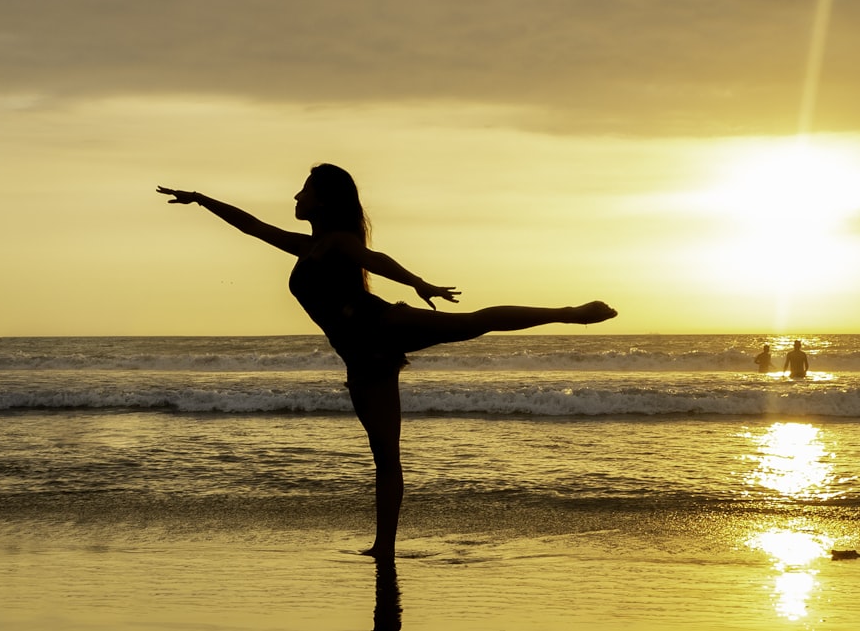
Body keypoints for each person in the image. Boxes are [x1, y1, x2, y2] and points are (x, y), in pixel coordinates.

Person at [157, 163, 617, 558]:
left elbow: (374, 259)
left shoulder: (337, 242)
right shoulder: (308, 246)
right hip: (361, 361)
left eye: (305, 189)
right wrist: (200, 200)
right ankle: (384, 547)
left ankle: (570, 314)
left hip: (381, 326)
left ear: (324, 199)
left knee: (473, 322)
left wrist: (419, 283)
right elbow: (250, 226)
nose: (296, 195)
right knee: (385, 458)